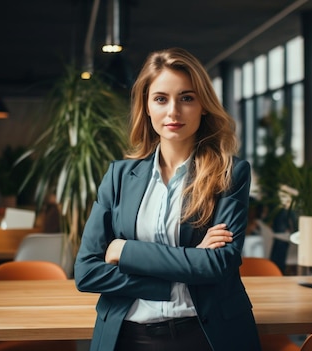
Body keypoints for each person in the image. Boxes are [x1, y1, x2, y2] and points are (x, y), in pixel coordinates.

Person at [74, 48, 262, 351]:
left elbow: (218, 264)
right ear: (147, 107)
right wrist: (184, 267)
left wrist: (125, 250)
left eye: (186, 98)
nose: (173, 111)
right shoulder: (119, 177)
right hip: (127, 338)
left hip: (208, 335)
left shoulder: (230, 173)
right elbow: (86, 272)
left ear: (203, 105)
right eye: (161, 98)